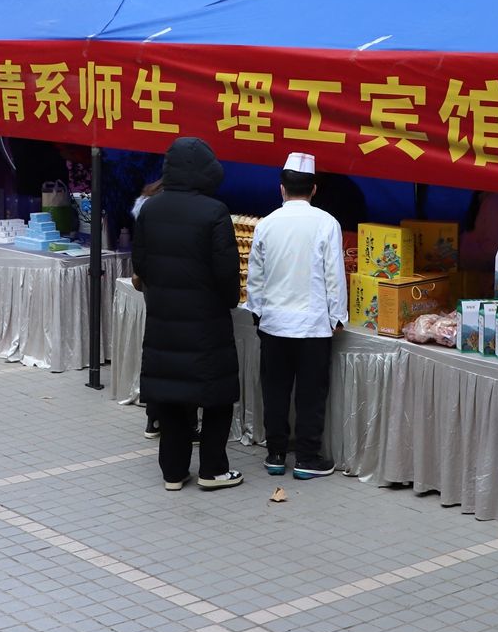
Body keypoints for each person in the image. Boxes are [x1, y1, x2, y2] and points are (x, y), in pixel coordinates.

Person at [132, 137, 243, 492]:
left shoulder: (150, 209)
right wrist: (229, 300)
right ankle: (213, 469)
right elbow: (227, 272)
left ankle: (173, 472)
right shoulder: (214, 212)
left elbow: (140, 264)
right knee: (217, 396)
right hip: (206, 321)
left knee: (171, 395)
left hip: (163, 318)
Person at [246, 153, 347, 479]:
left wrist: (256, 311)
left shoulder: (266, 224)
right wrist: (338, 316)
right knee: (311, 394)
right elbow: (334, 275)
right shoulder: (327, 223)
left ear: (282, 188)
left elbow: (255, 276)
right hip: (312, 325)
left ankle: (275, 454)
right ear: (314, 189)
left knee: (274, 391)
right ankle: (306, 457)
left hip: (274, 323)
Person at [131, 176, 165, 439]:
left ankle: (153, 417)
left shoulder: (146, 205)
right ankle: (182, 422)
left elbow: (139, 257)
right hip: (179, 298)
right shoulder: (194, 209)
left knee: (154, 354)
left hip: (154, 293)